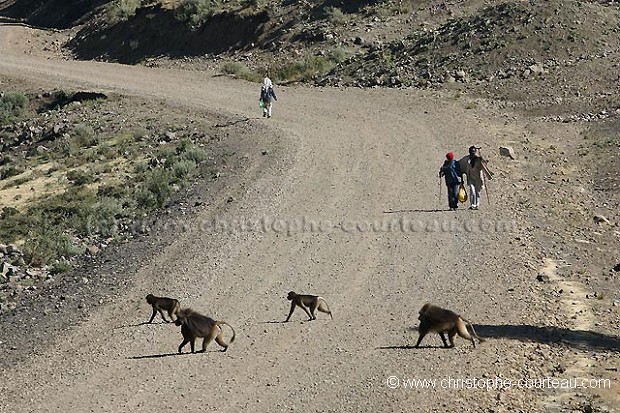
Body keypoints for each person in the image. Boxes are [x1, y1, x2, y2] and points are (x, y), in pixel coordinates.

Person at [459, 145, 491, 210]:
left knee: (477, 192)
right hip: (470, 178)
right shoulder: (466, 159)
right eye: (471, 152)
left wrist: (483, 160)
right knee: (472, 191)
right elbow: (460, 164)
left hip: (478, 179)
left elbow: (485, 164)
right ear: (469, 152)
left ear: (475, 152)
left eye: (473, 152)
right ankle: (472, 205)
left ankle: (477, 205)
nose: (472, 153)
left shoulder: (478, 159)